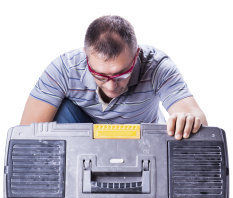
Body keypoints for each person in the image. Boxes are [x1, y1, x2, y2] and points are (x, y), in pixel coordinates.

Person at [20, 15, 207, 140]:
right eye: (100, 75)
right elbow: (26, 135)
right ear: (86, 56)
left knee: (187, 131)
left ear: (137, 55)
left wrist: (187, 119)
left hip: (141, 142)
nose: (111, 87)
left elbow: (198, 118)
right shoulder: (64, 69)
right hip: (85, 141)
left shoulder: (157, 66)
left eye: (121, 74)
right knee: (61, 111)